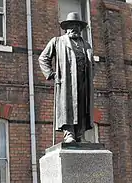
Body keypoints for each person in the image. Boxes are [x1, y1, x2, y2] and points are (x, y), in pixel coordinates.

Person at [39, 12, 94, 143]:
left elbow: (92, 64)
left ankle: (80, 134)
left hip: (83, 81)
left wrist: (90, 77)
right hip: (66, 82)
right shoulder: (57, 41)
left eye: (77, 25)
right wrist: (51, 74)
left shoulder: (86, 45)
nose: (74, 28)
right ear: (66, 28)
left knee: (82, 107)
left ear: (80, 28)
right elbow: (43, 58)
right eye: (71, 25)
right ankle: (69, 134)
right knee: (68, 107)